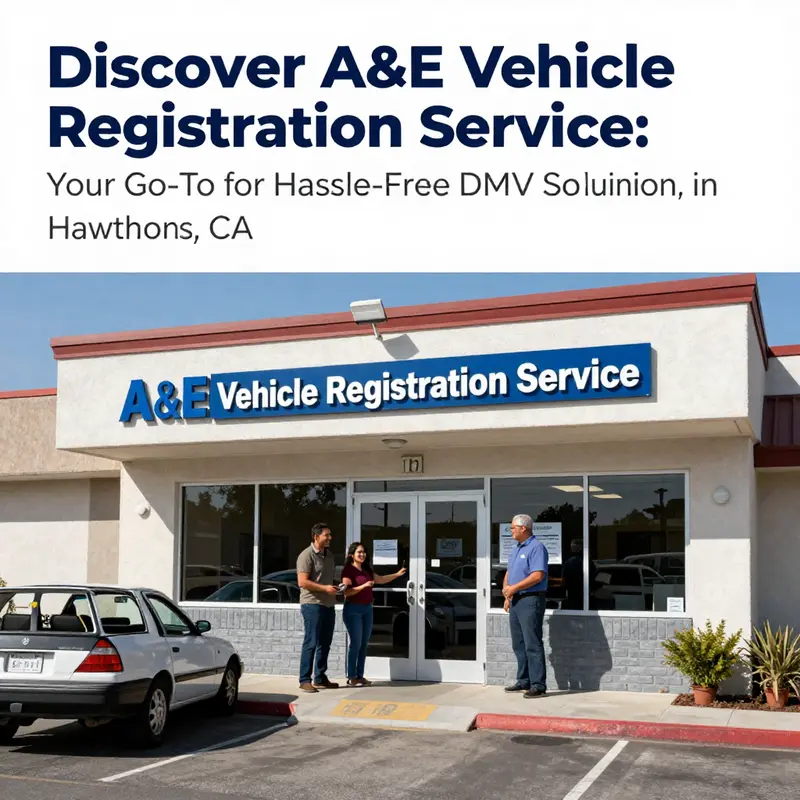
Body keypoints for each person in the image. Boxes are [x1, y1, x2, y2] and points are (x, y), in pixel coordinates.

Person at [340, 541, 406, 687]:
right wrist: (363, 586)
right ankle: (352, 677)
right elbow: (346, 592)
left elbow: (381, 579)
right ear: (352, 555)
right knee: (356, 643)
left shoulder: (367, 570)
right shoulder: (348, 570)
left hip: (367, 609)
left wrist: (397, 574)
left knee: (364, 644)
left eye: (363, 552)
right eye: (359, 552)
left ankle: (360, 675)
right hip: (353, 610)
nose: (362, 554)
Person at [502, 513, 549, 698]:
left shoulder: (536, 548)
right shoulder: (515, 549)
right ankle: (523, 680)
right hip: (515, 600)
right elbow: (509, 572)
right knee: (518, 643)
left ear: (524, 528)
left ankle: (538, 685)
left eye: (513, 527)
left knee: (532, 643)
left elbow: (538, 575)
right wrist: (507, 592)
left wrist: (513, 588)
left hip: (530, 600)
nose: (511, 530)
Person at [296, 522, 340, 693]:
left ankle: (320, 678)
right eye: (326, 535)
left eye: (330, 535)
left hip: (328, 604)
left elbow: (326, 579)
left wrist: (337, 587)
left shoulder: (329, 555)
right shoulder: (306, 556)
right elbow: (303, 582)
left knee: (325, 642)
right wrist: (325, 589)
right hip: (312, 604)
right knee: (311, 641)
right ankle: (305, 679)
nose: (330, 538)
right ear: (316, 537)